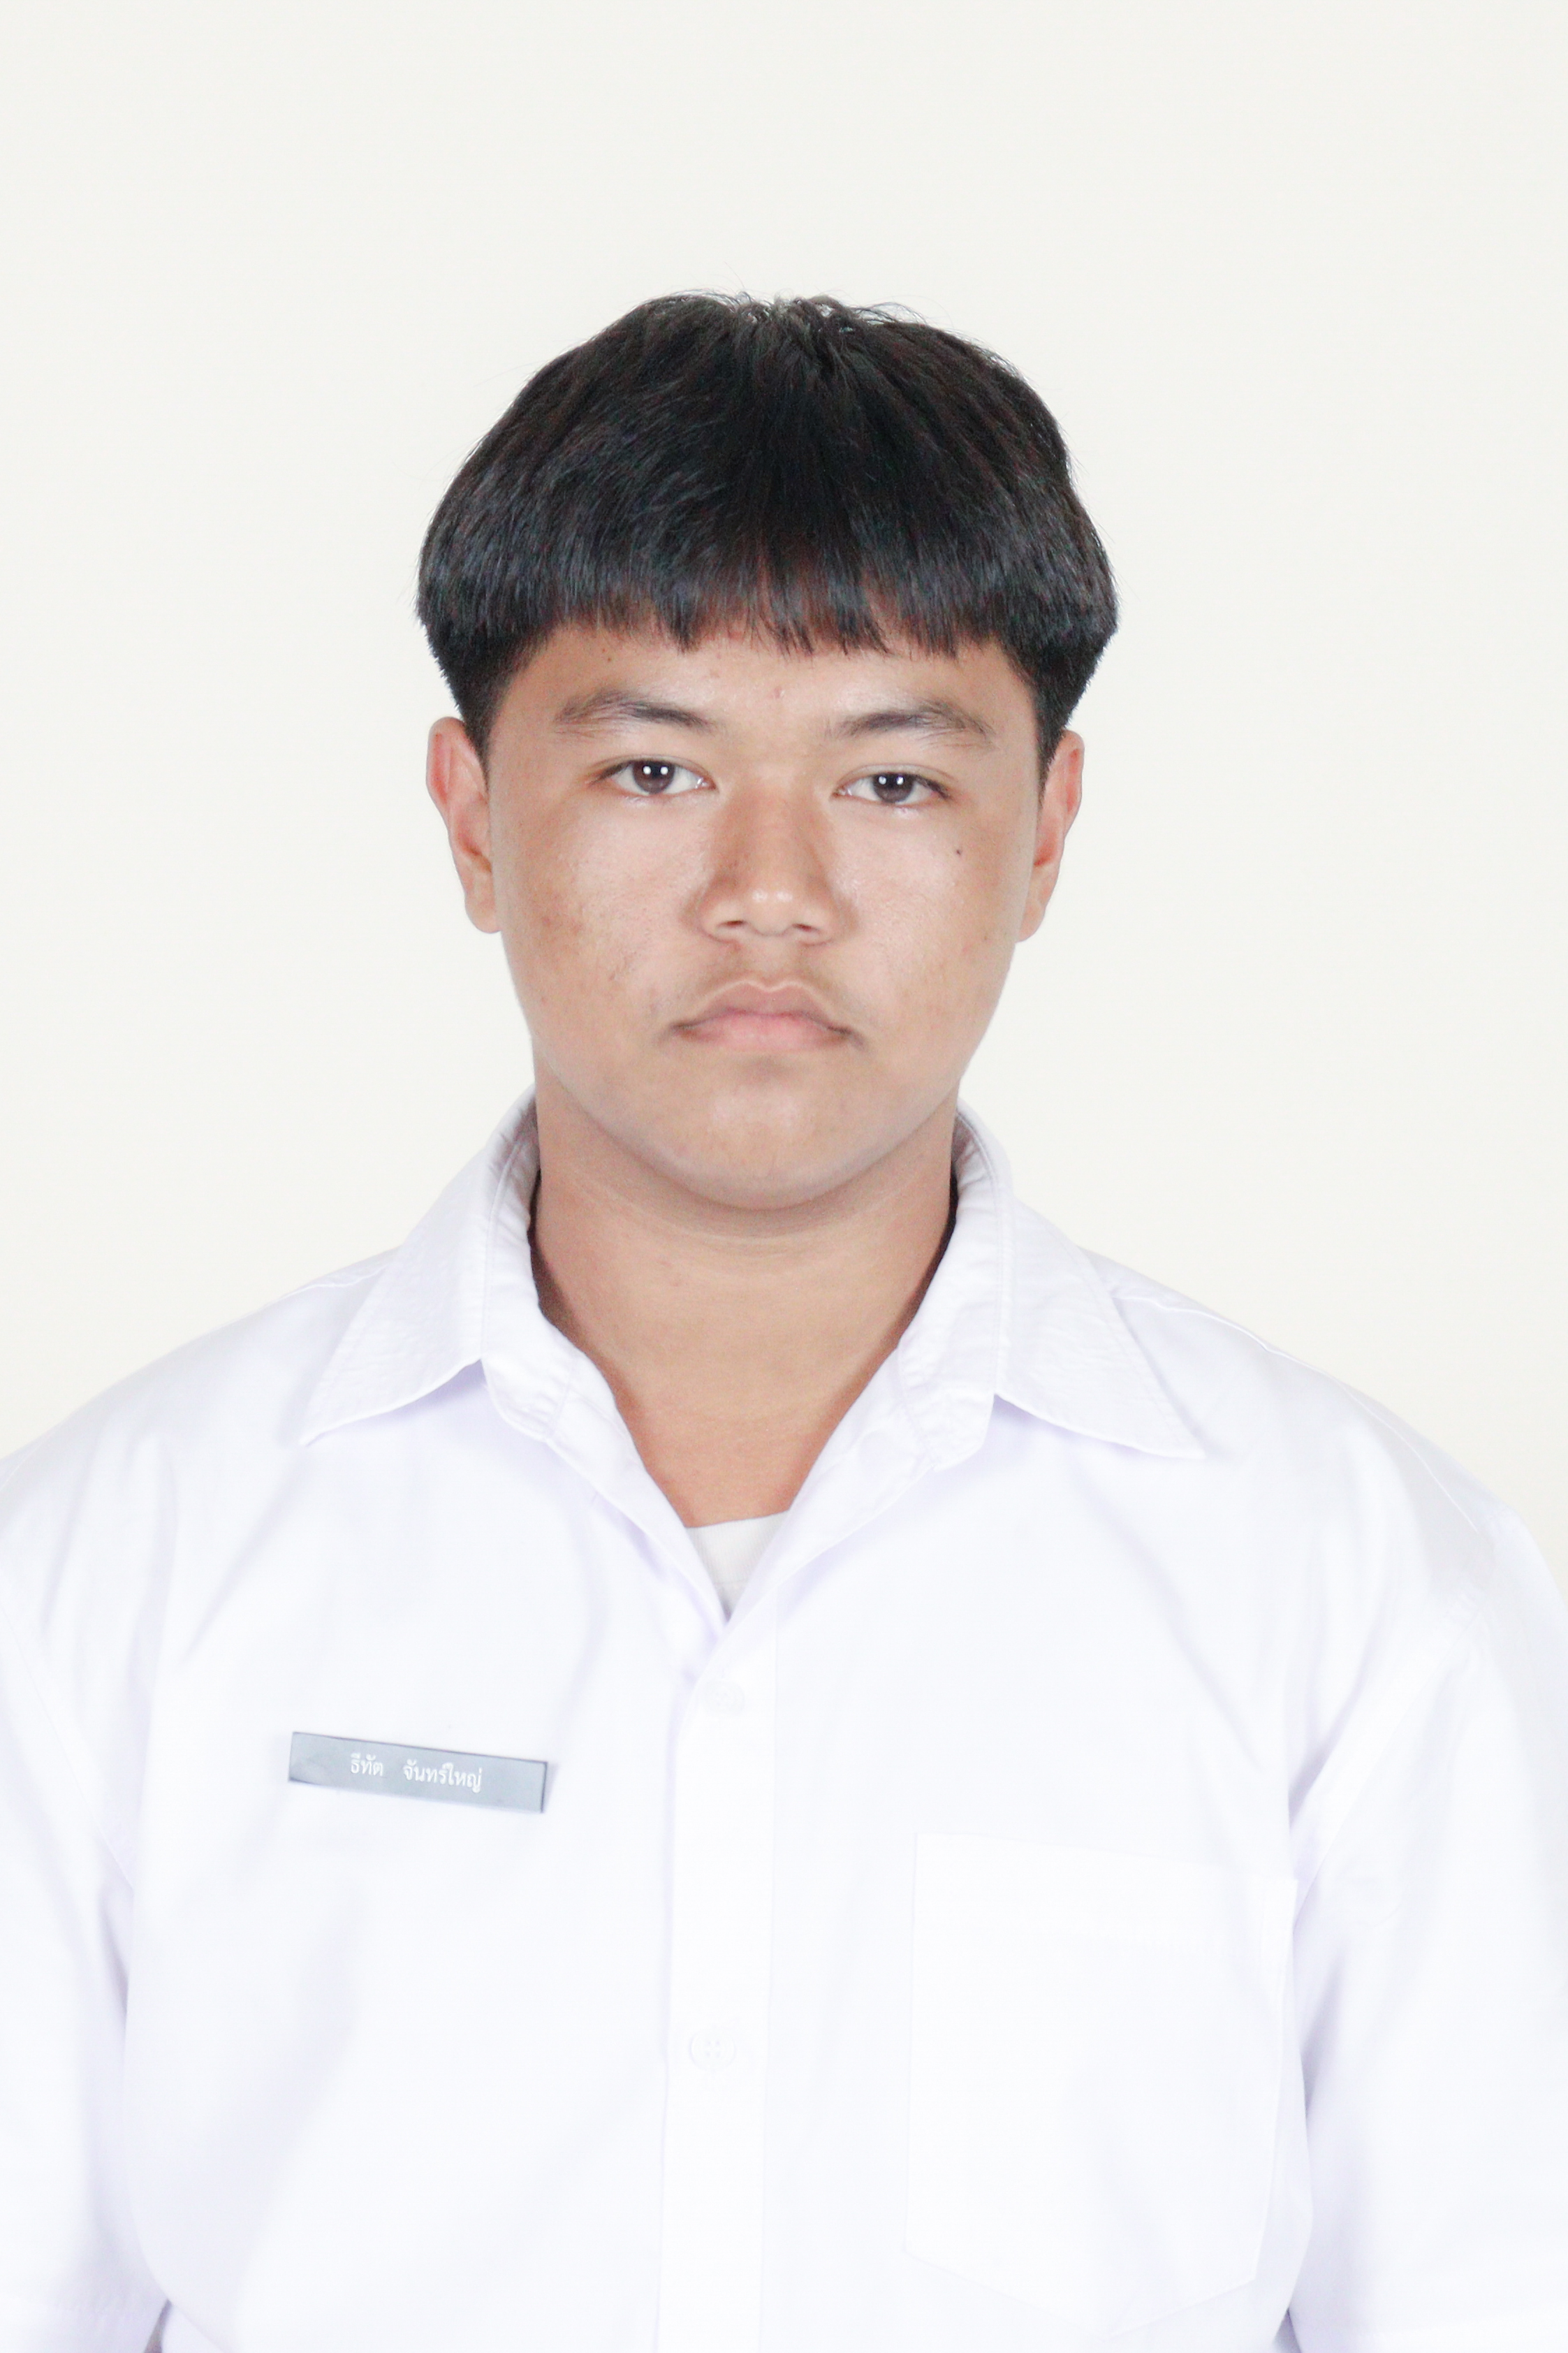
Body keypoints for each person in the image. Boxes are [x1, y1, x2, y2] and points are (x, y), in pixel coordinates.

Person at [1, 294, 1565, 2353]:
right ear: (472, 816)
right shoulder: (110, 1566)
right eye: (653, 766)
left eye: (893, 781)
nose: (770, 888)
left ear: (1047, 831)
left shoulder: (1361, 1589)